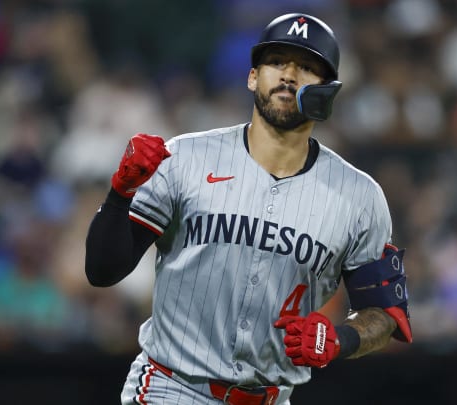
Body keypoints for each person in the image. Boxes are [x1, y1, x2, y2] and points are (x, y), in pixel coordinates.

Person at [85, 12, 412, 405]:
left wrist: (339, 340)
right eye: (277, 62)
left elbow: (384, 314)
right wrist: (120, 195)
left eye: (307, 68)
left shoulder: (360, 197)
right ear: (253, 76)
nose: (289, 76)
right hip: (170, 387)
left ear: (328, 91)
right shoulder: (184, 158)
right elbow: (102, 271)